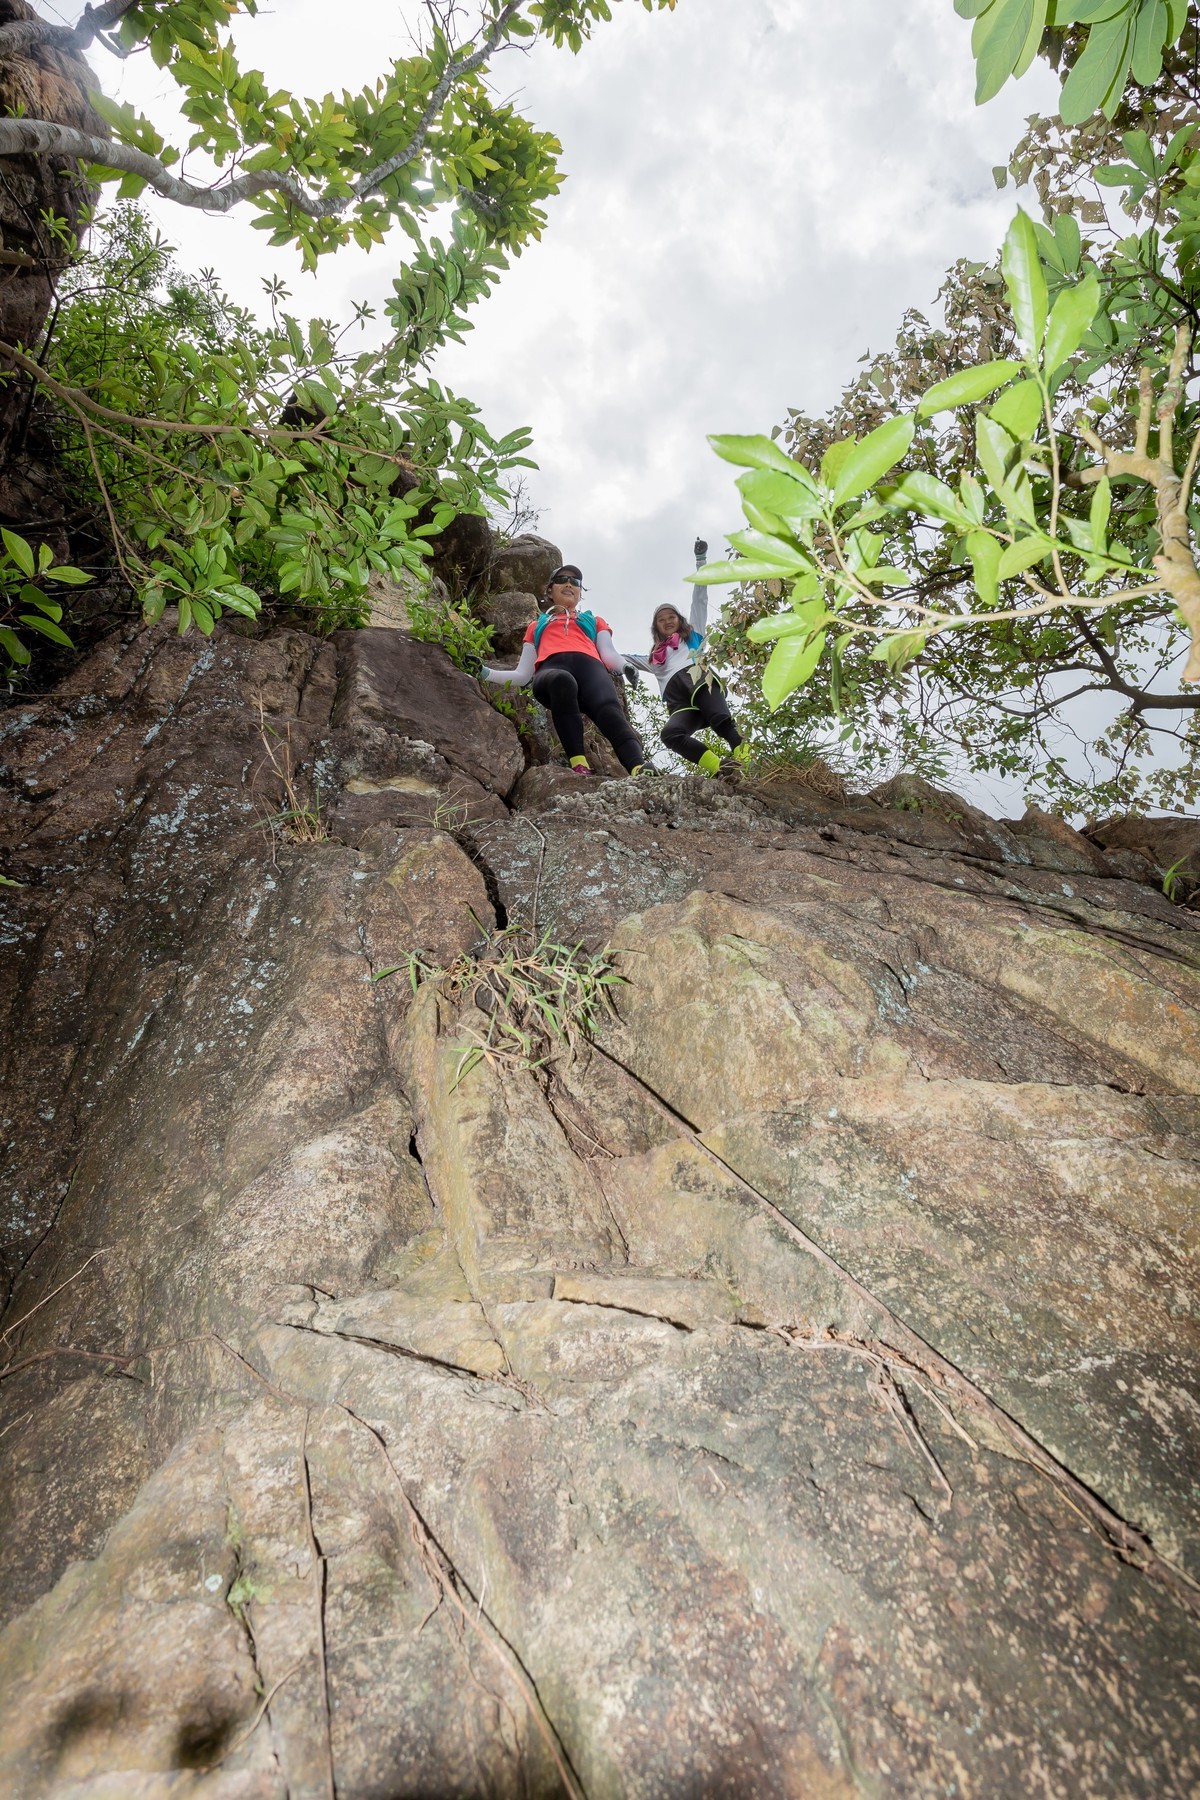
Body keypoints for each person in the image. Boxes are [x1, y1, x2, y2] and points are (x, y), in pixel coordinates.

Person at [481, 564, 647, 775]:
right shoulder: (537, 625)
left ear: (579, 592)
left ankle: (638, 767)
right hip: (551, 672)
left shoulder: (593, 621)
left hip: (591, 670)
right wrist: (485, 673)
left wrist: (625, 666)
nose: (569, 584)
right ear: (550, 590)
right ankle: (579, 764)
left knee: (609, 709)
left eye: (575, 582)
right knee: (562, 681)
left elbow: (608, 654)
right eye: (562, 580)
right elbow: (523, 675)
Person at [623, 540, 750, 777]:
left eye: (672, 616)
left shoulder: (694, 636)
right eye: (662, 619)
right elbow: (624, 658)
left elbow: (699, 598)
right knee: (671, 735)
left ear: (680, 620)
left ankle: (745, 761)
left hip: (699, 680)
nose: (668, 621)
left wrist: (701, 561)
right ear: (656, 628)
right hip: (679, 700)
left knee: (721, 720)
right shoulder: (654, 659)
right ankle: (718, 768)